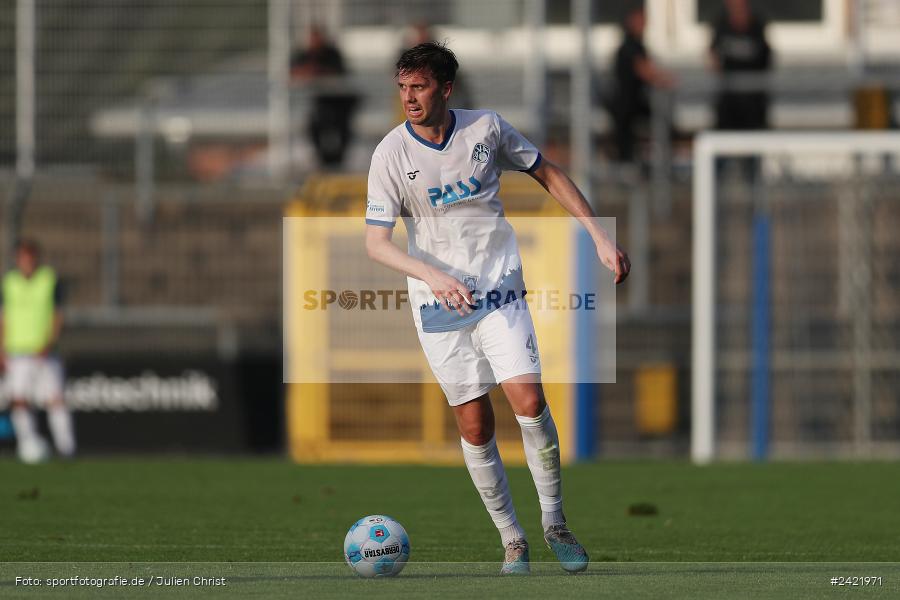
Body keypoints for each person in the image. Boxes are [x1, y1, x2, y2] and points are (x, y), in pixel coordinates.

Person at [364, 42, 629, 575]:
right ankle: (512, 539)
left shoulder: (486, 130)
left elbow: (547, 171)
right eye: (402, 88)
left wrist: (598, 236)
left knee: (528, 399)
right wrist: (432, 275)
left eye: (419, 87)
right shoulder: (390, 153)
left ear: (445, 88)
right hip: (438, 304)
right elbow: (377, 243)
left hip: (498, 289)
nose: (409, 98)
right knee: (475, 425)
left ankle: (554, 522)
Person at [0, 239, 76, 461]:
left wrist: (49, 343)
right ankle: (28, 446)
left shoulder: (48, 280)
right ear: (17, 259)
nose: (27, 262)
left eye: (31, 257)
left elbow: (57, 316)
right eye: (23, 257)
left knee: (55, 398)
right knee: (20, 399)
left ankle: (67, 448)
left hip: (44, 351)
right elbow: (3, 319)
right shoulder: (9, 283)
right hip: (17, 351)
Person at [609, 5, 675, 163]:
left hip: (635, 102)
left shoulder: (638, 45)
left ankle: (656, 163)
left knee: (663, 123)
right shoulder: (629, 46)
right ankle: (627, 166)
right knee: (625, 138)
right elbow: (644, 70)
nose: (644, 24)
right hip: (625, 104)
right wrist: (666, 79)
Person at [290, 25, 358, 167]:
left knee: (341, 129)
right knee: (315, 129)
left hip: (337, 102)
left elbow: (338, 74)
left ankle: (337, 160)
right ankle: (324, 160)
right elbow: (295, 73)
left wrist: (317, 72)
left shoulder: (332, 54)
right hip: (317, 104)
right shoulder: (304, 54)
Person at [709, 0, 772, 131]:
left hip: (753, 97)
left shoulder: (757, 25)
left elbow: (767, 57)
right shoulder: (721, 24)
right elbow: (712, 53)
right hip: (728, 96)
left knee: (753, 137)